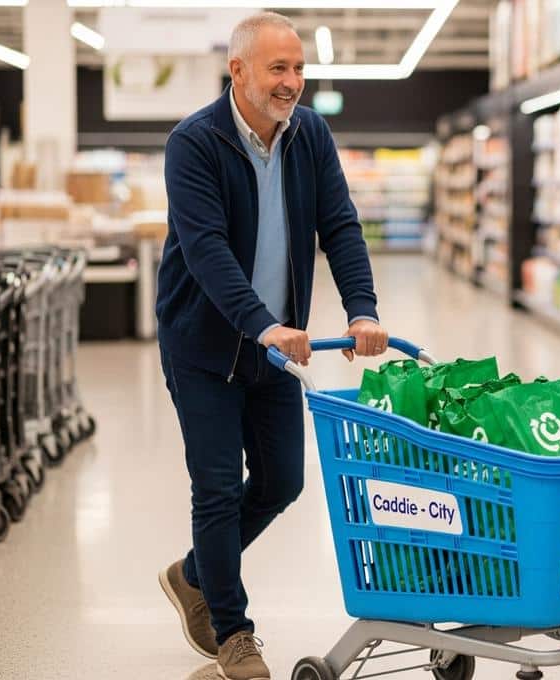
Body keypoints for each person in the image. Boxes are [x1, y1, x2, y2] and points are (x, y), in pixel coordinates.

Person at [154, 11, 389, 680]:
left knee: (284, 479)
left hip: (280, 348)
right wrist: (262, 322)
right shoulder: (194, 143)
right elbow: (205, 252)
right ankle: (233, 631)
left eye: (299, 69)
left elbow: (339, 225)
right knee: (220, 486)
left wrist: (362, 307)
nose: (292, 82)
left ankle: (194, 573)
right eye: (278, 68)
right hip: (203, 344)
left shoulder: (308, 133)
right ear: (239, 71)